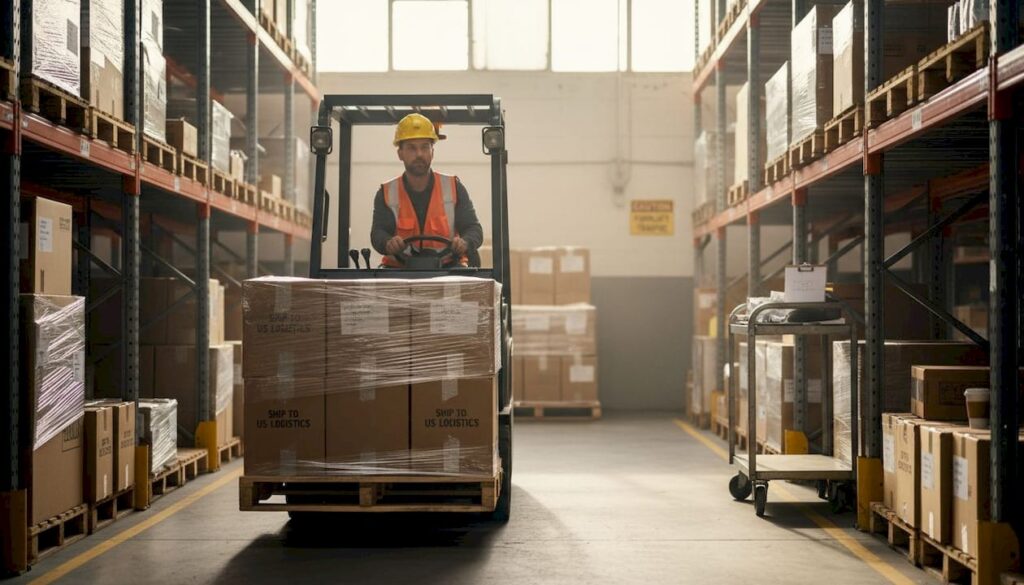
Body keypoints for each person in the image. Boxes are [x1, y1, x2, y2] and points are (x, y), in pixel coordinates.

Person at [370, 113, 484, 267]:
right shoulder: (387, 192)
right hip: (401, 270)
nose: (419, 154)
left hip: (446, 268)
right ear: (400, 154)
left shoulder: (453, 187)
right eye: (411, 148)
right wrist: (387, 242)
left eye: (425, 147)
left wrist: (465, 242)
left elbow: (473, 228)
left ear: (432, 152)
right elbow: (378, 232)